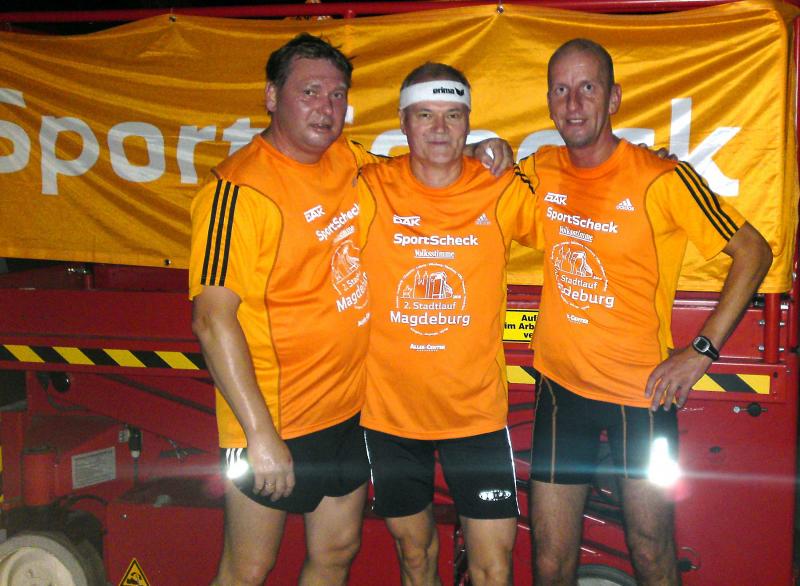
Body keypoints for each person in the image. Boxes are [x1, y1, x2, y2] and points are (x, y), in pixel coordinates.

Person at [189, 34, 509, 586]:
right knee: (248, 567)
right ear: (272, 96)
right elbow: (211, 319)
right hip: (273, 418)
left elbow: (424, 162)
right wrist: (259, 434)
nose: (326, 107)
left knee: (337, 552)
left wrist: (480, 147)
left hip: (346, 412)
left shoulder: (347, 159)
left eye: (337, 95)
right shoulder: (237, 190)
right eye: (310, 92)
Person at [520, 38, 773, 585]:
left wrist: (700, 352)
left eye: (588, 88)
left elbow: (755, 252)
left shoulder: (662, 177)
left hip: (644, 398)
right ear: (549, 101)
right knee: (549, 560)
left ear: (613, 98)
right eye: (561, 90)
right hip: (561, 391)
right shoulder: (541, 168)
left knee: (652, 549)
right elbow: (474, 188)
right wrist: (484, 149)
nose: (573, 103)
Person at [358, 63, 538, 586]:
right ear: (403, 122)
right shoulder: (370, 185)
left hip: (475, 415)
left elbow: (578, 216)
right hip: (390, 414)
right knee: (415, 557)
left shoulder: (499, 187)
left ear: (468, 122)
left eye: (453, 116)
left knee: (493, 566)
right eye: (425, 115)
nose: (439, 128)